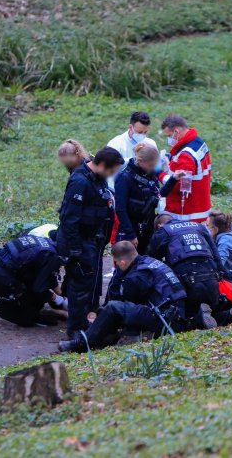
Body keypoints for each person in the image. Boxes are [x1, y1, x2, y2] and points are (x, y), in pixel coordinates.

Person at [58, 241, 188, 353]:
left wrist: (104, 315)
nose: (118, 266)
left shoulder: (135, 277)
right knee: (116, 309)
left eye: (117, 263)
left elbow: (124, 307)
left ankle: (83, 343)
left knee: (114, 308)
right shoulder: (148, 262)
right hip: (176, 313)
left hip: (167, 321)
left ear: (123, 262)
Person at [57, 147, 124, 338]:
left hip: (92, 240)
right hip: (78, 242)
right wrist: (75, 250)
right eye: (111, 170)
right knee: (79, 286)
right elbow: (69, 219)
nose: (111, 175)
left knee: (86, 284)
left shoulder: (98, 178)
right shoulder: (80, 181)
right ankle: (75, 331)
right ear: (102, 165)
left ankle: (82, 323)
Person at [0, 234, 64, 327]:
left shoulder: (42, 240)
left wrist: (61, 296)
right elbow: (38, 288)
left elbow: (46, 277)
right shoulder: (52, 256)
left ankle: (5, 298)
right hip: (0, 274)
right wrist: (58, 299)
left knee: (34, 299)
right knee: (26, 318)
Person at [149, 214, 223, 329]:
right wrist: (221, 272)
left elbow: (153, 261)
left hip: (186, 278)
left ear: (159, 225)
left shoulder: (163, 232)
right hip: (210, 274)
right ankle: (228, 315)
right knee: (215, 310)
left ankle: (198, 318)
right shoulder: (199, 226)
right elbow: (215, 253)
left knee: (186, 318)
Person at [158, 114, 212, 223]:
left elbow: (181, 187)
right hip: (200, 205)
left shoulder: (186, 156)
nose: (169, 139)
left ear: (176, 132)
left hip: (186, 213)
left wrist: (160, 174)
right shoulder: (198, 142)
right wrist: (172, 160)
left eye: (169, 135)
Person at [113, 143, 162, 254]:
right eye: (151, 165)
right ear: (140, 161)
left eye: (154, 165)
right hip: (130, 228)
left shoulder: (150, 173)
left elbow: (159, 194)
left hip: (148, 227)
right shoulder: (124, 178)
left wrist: (174, 179)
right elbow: (120, 209)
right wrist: (130, 234)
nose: (153, 168)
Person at [106, 111, 158, 191]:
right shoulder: (116, 144)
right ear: (130, 127)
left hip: (143, 190)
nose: (142, 135)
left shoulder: (151, 144)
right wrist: (134, 160)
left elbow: (154, 169)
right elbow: (108, 167)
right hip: (118, 189)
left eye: (145, 132)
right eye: (139, 132)